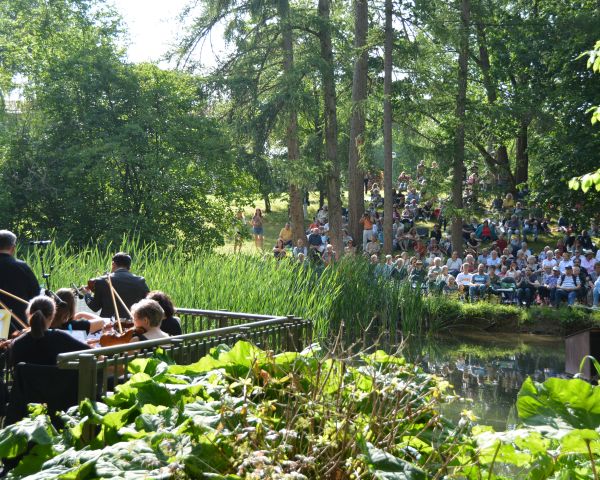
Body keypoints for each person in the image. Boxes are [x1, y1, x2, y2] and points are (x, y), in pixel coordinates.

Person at [9, 295, 90, 366]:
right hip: (59, 383)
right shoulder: (59, 338)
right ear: (52, 316)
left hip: (27, 384)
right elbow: (91, 353)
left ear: (29, 313)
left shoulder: (17, 344)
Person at [84, 252, 149, 318]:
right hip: (133, 324)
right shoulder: (140, 281)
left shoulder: (102, 281)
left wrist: (87, 294)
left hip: (109, 325)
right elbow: (148, 303)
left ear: (113, 264)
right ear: (129, 266)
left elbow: (94, 307)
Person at [0, 230, 40, 331]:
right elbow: (35, 294)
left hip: (2, 317)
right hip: (18, 317)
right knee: (14, 345)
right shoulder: (21, 266)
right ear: (13, 247)